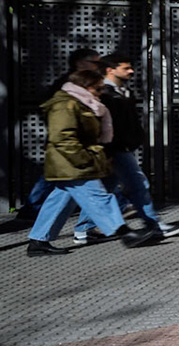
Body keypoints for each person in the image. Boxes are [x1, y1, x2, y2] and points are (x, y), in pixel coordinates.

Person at [26, 67, 162, 255]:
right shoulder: (66, 105)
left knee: (61, 199)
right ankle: (124, 233)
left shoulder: (82, 103)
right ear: (84, 86)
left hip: (73, 161)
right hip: (72, 162)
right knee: (99, 197)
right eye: (98, 88)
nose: (101, 92)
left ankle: (38, 241)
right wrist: (84, 159)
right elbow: (63, 138)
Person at [7, 48, 104, 226]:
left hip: (74, 141)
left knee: (62, 184)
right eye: (94, 62)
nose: (98, 66)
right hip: (69, 141)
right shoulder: (69, 86)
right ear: (79, 63)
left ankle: (36, 224)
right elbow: (60, 118)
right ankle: (117, 226)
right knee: (57, 178)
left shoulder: (80, 83)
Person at [96, 54, 179, 240]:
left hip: (120, 146)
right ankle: (153, 224)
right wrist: (108, 150)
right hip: (115, 147)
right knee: (138, 184)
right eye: (126, 68)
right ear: (110, 69)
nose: (131, 71)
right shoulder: (104, 94)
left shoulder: (122, 91)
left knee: (106, 189)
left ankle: (84, 229)